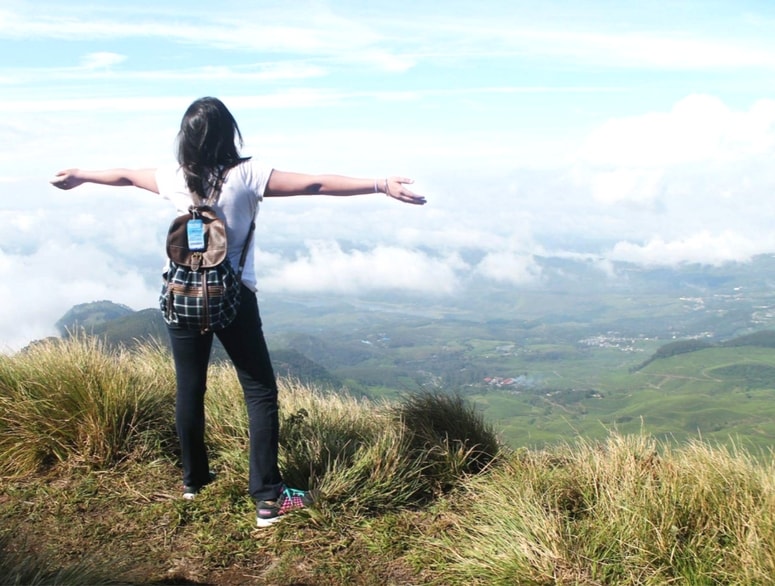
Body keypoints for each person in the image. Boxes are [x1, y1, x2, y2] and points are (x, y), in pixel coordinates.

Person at [50, 96, 426, 527]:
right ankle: (268, 498)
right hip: (233, 299)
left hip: (182, 296)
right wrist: (380, 184)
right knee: (259, 390)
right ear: (229, 133)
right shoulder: (247, 174)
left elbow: (124, 176)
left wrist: (79, 175)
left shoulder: (173, 177)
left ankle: (193, 481)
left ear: (185, 138)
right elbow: (316, 184)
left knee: (190, 389)